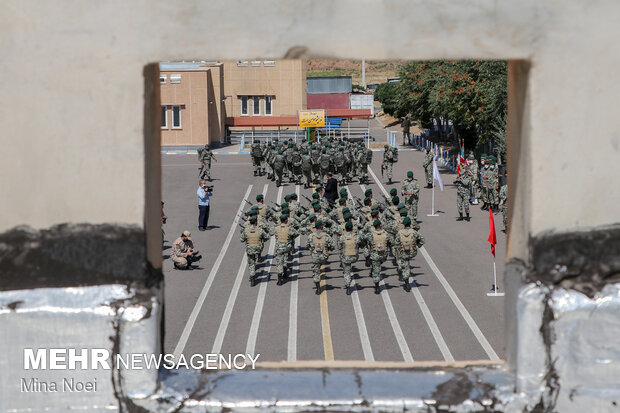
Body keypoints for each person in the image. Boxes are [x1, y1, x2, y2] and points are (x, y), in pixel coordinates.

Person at [360, 219, 391, 294]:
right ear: (380, 225)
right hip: (384, 255)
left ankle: (377, 287)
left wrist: (366, 246)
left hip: (375, 255)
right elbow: (391, 242)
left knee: (376, 270)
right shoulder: (386, 234)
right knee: (378, 265)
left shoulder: (370, 235)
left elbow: (362, 239)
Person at [393, 217, 424, 291]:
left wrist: (399, 250)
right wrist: (418, 245)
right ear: (410, 224)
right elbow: (422, 240)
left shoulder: (400, 233)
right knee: (407, 264)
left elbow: (396, 243)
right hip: (412, 252)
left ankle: (406, 283)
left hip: (403, 253)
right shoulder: (414, 232)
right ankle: (404, 272)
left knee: (405, 267)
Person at [306, 220, 335, 295]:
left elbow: (307, 245)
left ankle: (318, 288)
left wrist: (311, 249)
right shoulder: (326, 236)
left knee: (316, 271)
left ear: (315, 227)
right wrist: (329, 249)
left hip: (315, 256)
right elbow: (333, 245)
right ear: (321, 227)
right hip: (324, 256)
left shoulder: (311, 236)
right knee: (321, 262)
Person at [240, 216, 270, 286]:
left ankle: (252, 276)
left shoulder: (246, 230)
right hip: (257, 249)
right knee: (254, 260)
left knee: (251, 263)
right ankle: (257, 258)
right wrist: (262, 240)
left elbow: (241, 239)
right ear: (256, 222)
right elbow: (267, 237)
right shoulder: (260, 230)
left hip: (249, 249)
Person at [338, 221, 360, 295]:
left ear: (345, 229)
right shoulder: (356, 237)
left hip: (346, 258)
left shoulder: (342, 237)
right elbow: (360, 244)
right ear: (352, 228)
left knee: (347, 272)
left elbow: (339, 247)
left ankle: (348, 287)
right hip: (354, 257)